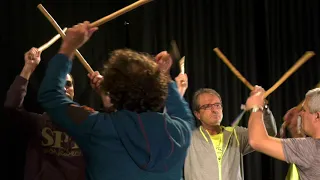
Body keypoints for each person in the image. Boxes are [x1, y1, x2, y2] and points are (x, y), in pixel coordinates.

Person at [37, 21, 194, 180]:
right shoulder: (182, 131)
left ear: (112, 91)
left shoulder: (97, 127)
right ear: (160, 90)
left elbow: (50, 95)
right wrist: (163, 75)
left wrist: (68, 47)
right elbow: (181, 111)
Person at [4, 47, 103, 180]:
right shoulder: (38, 122)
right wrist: (28, 68)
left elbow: (118, 128)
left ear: (74, 90)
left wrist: (104, 93)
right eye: (59, 84)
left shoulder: (88, 120)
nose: (64, 88)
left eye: (68, 84)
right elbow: (11, 106)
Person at [184, 87, 277, 180]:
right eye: (207, 106)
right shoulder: (188, 138)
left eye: (217, 105)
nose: (214, 110)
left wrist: (263, 106)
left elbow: (269, 132)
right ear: (197, 114)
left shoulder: (236, 134)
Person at [247, 86, 320, 180]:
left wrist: (256, 106)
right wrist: (294, 128)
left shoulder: (312, 149)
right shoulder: (309, 151)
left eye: (304, 110)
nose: (301, 114)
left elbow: (256, 140)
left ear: (317, 116)